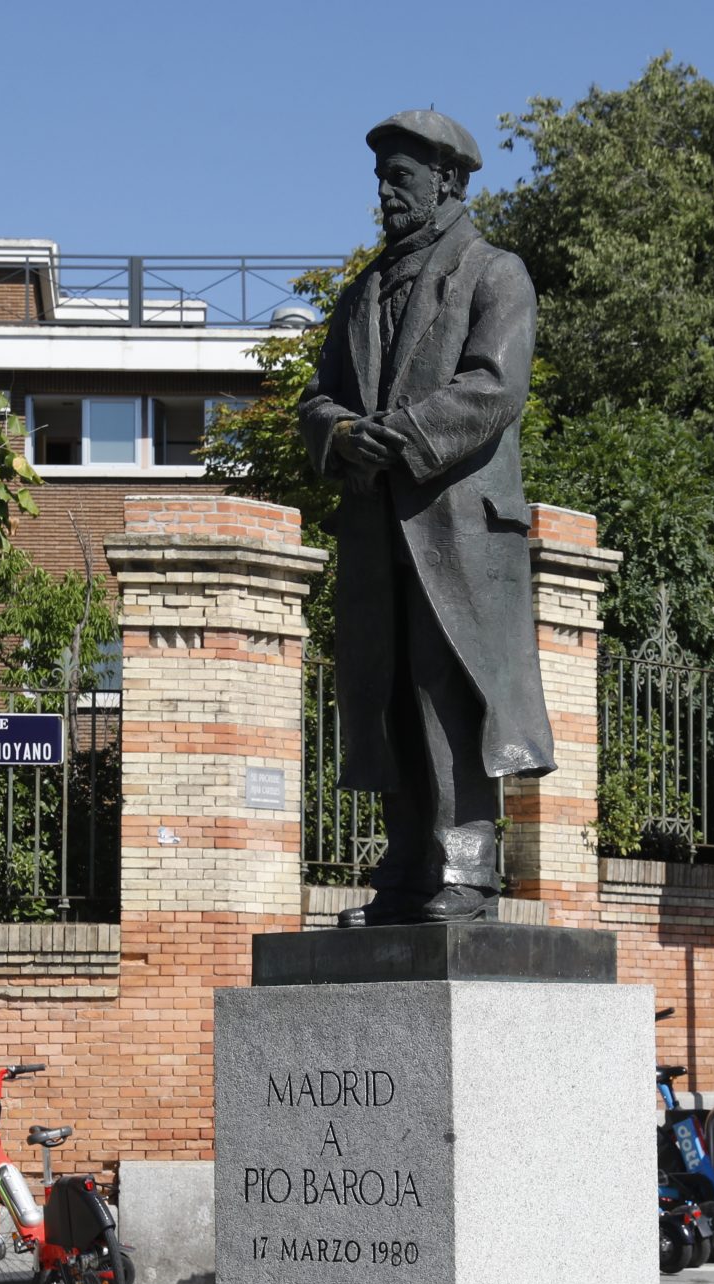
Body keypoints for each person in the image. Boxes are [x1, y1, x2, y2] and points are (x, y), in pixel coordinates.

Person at [298, 109, 553, 926]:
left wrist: (401, 436)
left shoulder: (494, 273)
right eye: (380, 179)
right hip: (377, 530)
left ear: (445, 181)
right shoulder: (361, 292)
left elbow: (495, 387)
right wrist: (342, 434)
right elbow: (317, 398)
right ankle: (406, 869)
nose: (385, 193)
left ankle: (467, 867)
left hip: (459, 527)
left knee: (448, 691)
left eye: (400, 178)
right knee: (386, 697)